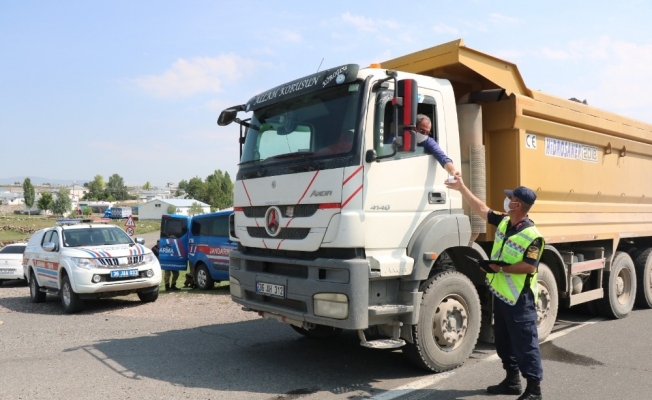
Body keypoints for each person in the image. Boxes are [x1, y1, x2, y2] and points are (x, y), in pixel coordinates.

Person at [445, 177, 544, 400]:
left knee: (525, 343)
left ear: (517, 205)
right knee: (504, 340)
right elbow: (482, 209)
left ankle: (534, 390)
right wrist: (462, 188)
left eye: (511, 198)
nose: (507, 199)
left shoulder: (533, 236)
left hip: (520, 298)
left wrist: (499, 268)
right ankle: (512, 381)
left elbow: (529, 266)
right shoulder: (505, 221)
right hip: (502, 294)